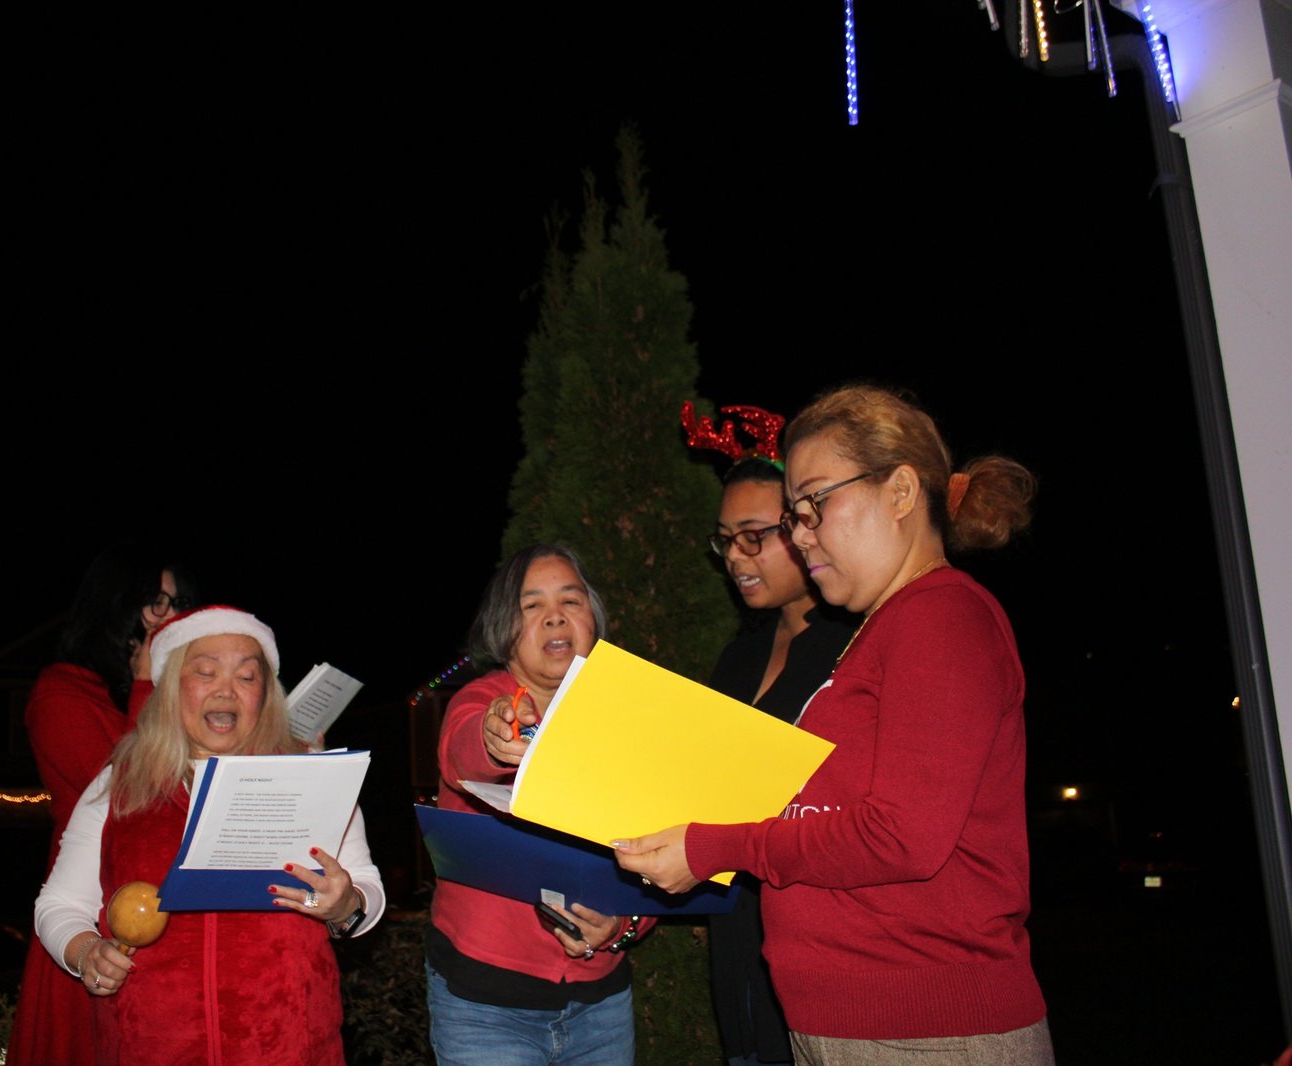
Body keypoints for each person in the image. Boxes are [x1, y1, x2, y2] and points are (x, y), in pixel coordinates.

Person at [618, 385, 1054, 1064]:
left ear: (902, 491)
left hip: (926, 1030)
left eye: (816, 504)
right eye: (794, 515)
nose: (800, 532)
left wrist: (716, 849)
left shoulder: (940, 616)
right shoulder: (884, 631)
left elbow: (903, 835)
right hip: (856, 1027)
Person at [32, 605, 384, 1064]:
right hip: (150, 1047)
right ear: (171, 687)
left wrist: (346, 905)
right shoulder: (121, 783)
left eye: (246, 677)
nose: (226, 691)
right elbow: (59, 905)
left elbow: (367, 890)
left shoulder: (308, 778)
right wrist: (85, 953)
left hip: (289, 1045)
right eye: (205, 672)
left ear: (266, 694)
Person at [684, 402, 860, 1066]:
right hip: (737, 945)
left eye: (755, 534)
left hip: (823, 954)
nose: (736, 556)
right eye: (725, 539)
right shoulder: (739, 654)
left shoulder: (854, 648)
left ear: (806, 527)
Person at [428, 542, 648, 1066]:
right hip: (483, 1005)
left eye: (571, 601)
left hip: (602, 1003)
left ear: (592, 618)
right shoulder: (478, 700)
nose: (555, 616)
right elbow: (465, 748)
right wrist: (494, 735)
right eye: (533, 605)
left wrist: (625, 927)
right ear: (505, 628)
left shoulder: (631, 721)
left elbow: (658, 843)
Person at [6, 545, 201, 1065]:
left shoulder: (182, 700)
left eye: (177, 603)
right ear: (113, 606)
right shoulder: (61, 693)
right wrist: (145, 683)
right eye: (152, 601)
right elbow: (140, 793)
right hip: (91, 917)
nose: (167, 617)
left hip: (179, 912)